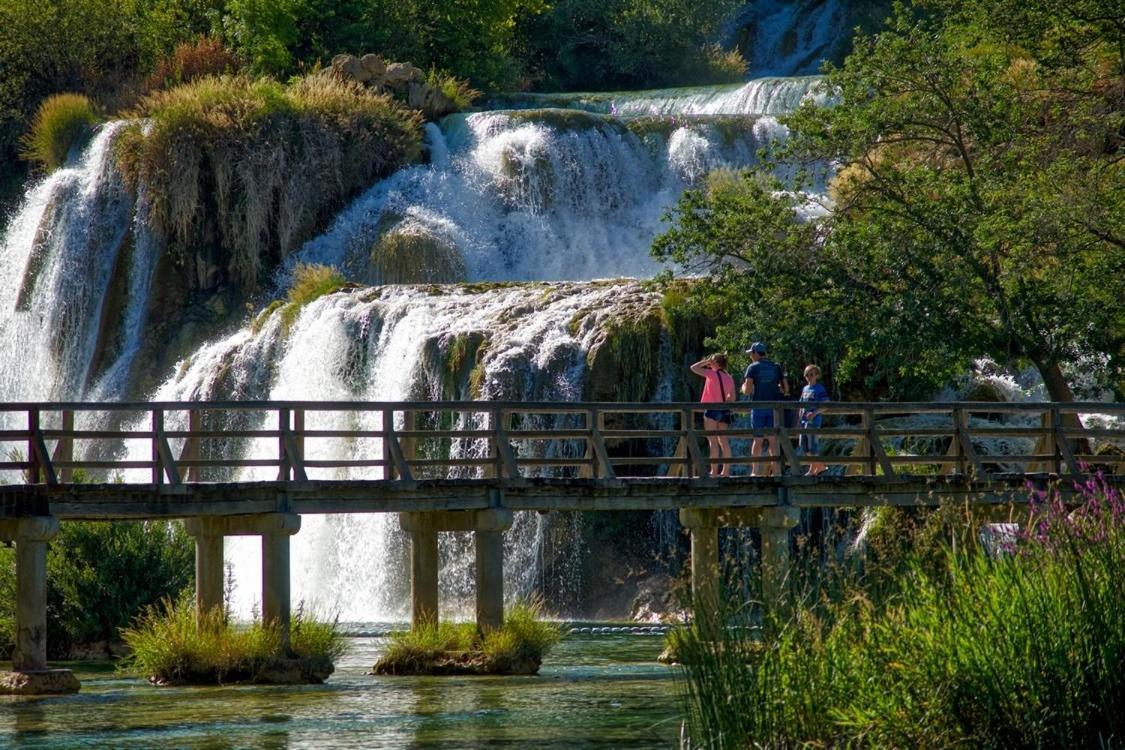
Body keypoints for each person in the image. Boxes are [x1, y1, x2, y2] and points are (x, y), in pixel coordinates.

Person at [741, 342, 788, 476]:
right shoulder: (776, 367)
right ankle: (776, 472)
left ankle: (755, 472)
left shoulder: (752, 367)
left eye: (751, 353)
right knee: (773, 440)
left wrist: (743, 386)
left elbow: (747, 390)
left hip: (758, 407)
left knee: (758, 440)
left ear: (755, 352)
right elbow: (786, 389)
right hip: (774, 408)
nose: (750, 356)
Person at [690, 354, 735, 477]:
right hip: (724, 410)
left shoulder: (711, 374)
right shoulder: (729, 378)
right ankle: (726, 472)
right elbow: (732, 398)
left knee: (713, 442)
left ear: (715, 363)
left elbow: (693, 368)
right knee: (724, 442)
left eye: (711, 362)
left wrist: (706, 361)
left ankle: (714, 472)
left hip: (711, 410)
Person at [799, 364, 830, 475]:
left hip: (814, 421)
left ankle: (813, 469)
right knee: (804, 446)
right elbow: (800, 403)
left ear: (817, 375)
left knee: (813, 446)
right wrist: (800, 413)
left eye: (812, 374)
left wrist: (815, 413)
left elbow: (826, 405)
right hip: (803, 421)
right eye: (807, 374)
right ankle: (820, 467)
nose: (809, 377)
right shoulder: (805, 388)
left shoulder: (819, 389)